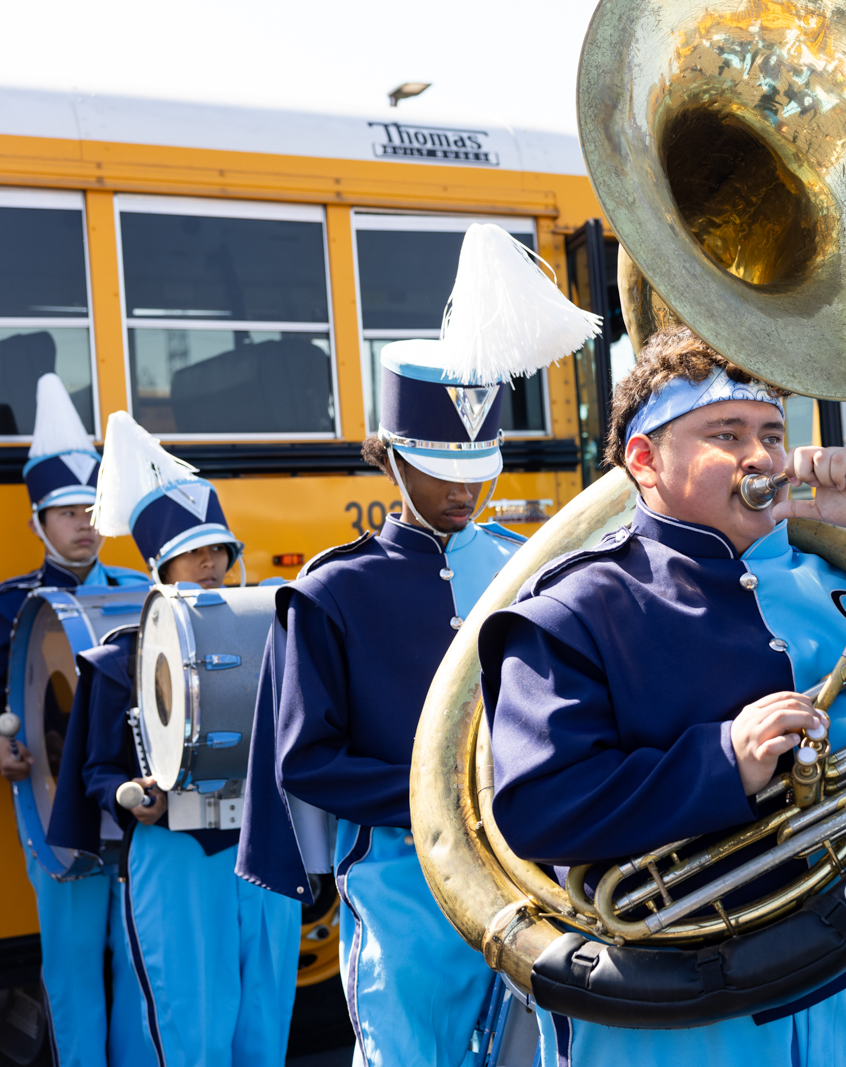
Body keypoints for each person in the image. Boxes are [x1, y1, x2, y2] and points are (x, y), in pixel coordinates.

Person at [480, 325, 846, 1067]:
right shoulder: (577, 606)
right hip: (688, 1010)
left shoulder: (843, 568)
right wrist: (722, 761)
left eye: (772, 432)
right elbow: (541, 806)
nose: (760, 455)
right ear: (644, 459)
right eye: (725, 433)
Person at [238, 222, 597, 1066]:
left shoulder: (529, 570)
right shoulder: (331, 590)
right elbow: (307, 758)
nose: (463, 488)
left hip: (537, 873)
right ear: (389, 458)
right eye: (439, 466)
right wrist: (445, 805)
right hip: (402, 880)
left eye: (478, 466)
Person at [51, 410, 301, 1067]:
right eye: (196, 551)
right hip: (177, 857)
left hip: (266, 851)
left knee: (266, 1025)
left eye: (220, 549)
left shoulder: (274, 638)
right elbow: (96, 772)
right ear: (162, 563)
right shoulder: (117, 661)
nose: (213, 562)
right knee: (191, 1034)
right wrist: (132, 795)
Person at [0, 373, 148, 1067]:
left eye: (92, 507)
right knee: (76, 964)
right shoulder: (7, 608)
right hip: (54, 816)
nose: (83, 522)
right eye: (66, 511)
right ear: (38, 524)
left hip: (143, 815)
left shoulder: (147, 592)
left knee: (144, 964)